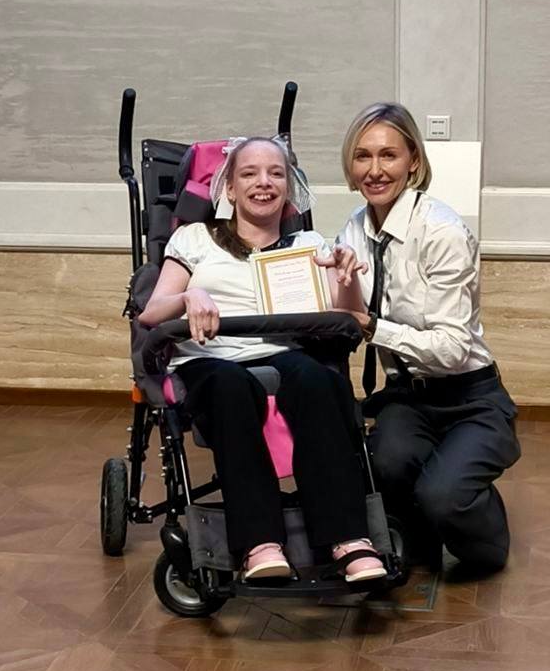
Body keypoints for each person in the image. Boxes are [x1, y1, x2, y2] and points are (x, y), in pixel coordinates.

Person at [139, 134, 387, 585]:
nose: (264, 182)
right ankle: (260, 543)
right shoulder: (194, 238)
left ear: (289, 188)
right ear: (229, 188)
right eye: (249, 173)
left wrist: (346, 275)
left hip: (282, 353)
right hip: (212, 358)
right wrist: (189, 296)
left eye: (276, 173)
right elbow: (151, 313)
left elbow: (344, 317)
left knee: (321, 381)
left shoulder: (308, 244)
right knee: (230, 386)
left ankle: (349, 538)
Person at [334, 103, 520, 575]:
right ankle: (421, 539)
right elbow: (342, 309)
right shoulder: (354, 229)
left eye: (388, 155)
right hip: (407, 396)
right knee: (382, 464)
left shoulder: (442, 231)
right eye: (362, 156)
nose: (374, 170)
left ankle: (482, 528)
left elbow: (452, 350)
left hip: (470, 396)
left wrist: (372, 327)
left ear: (413, 160)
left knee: (443, 496)